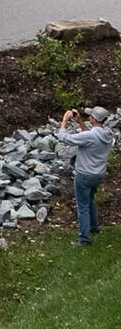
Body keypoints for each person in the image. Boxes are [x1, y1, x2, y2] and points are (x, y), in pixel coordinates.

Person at [57, 105, 115, 246]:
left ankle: (84, 239)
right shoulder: (107, 134)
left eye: (90, 116)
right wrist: (80, 123)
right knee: (90, 200)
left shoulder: (90, 136)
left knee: (82, 205)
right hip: (98, 174)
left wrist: (64, 121)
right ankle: (94, 228)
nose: (88, 117)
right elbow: (91, 137)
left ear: (93, 119)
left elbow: (63, 138)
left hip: (84, 174)